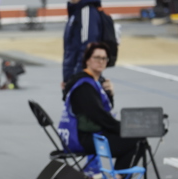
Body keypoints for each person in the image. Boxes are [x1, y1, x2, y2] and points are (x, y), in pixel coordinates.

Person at [60, 42, 144, 171]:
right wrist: (124, 128)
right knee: (138, 141)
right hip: (83, 138)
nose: (101, 61)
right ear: (87, 60)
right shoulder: (84, 86)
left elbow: (104, 110)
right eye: (97, 57)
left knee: (136, 138)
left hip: (88, 135)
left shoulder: (93, 82)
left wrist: (110, 94)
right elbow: (99, 116)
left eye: (104, 58)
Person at [62, 0, 104, 86]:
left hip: (82, 80)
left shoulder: (87, 12)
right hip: (73, 78)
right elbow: (69, 49)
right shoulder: (76, 12)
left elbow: (88, 48)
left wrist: (77, 78)